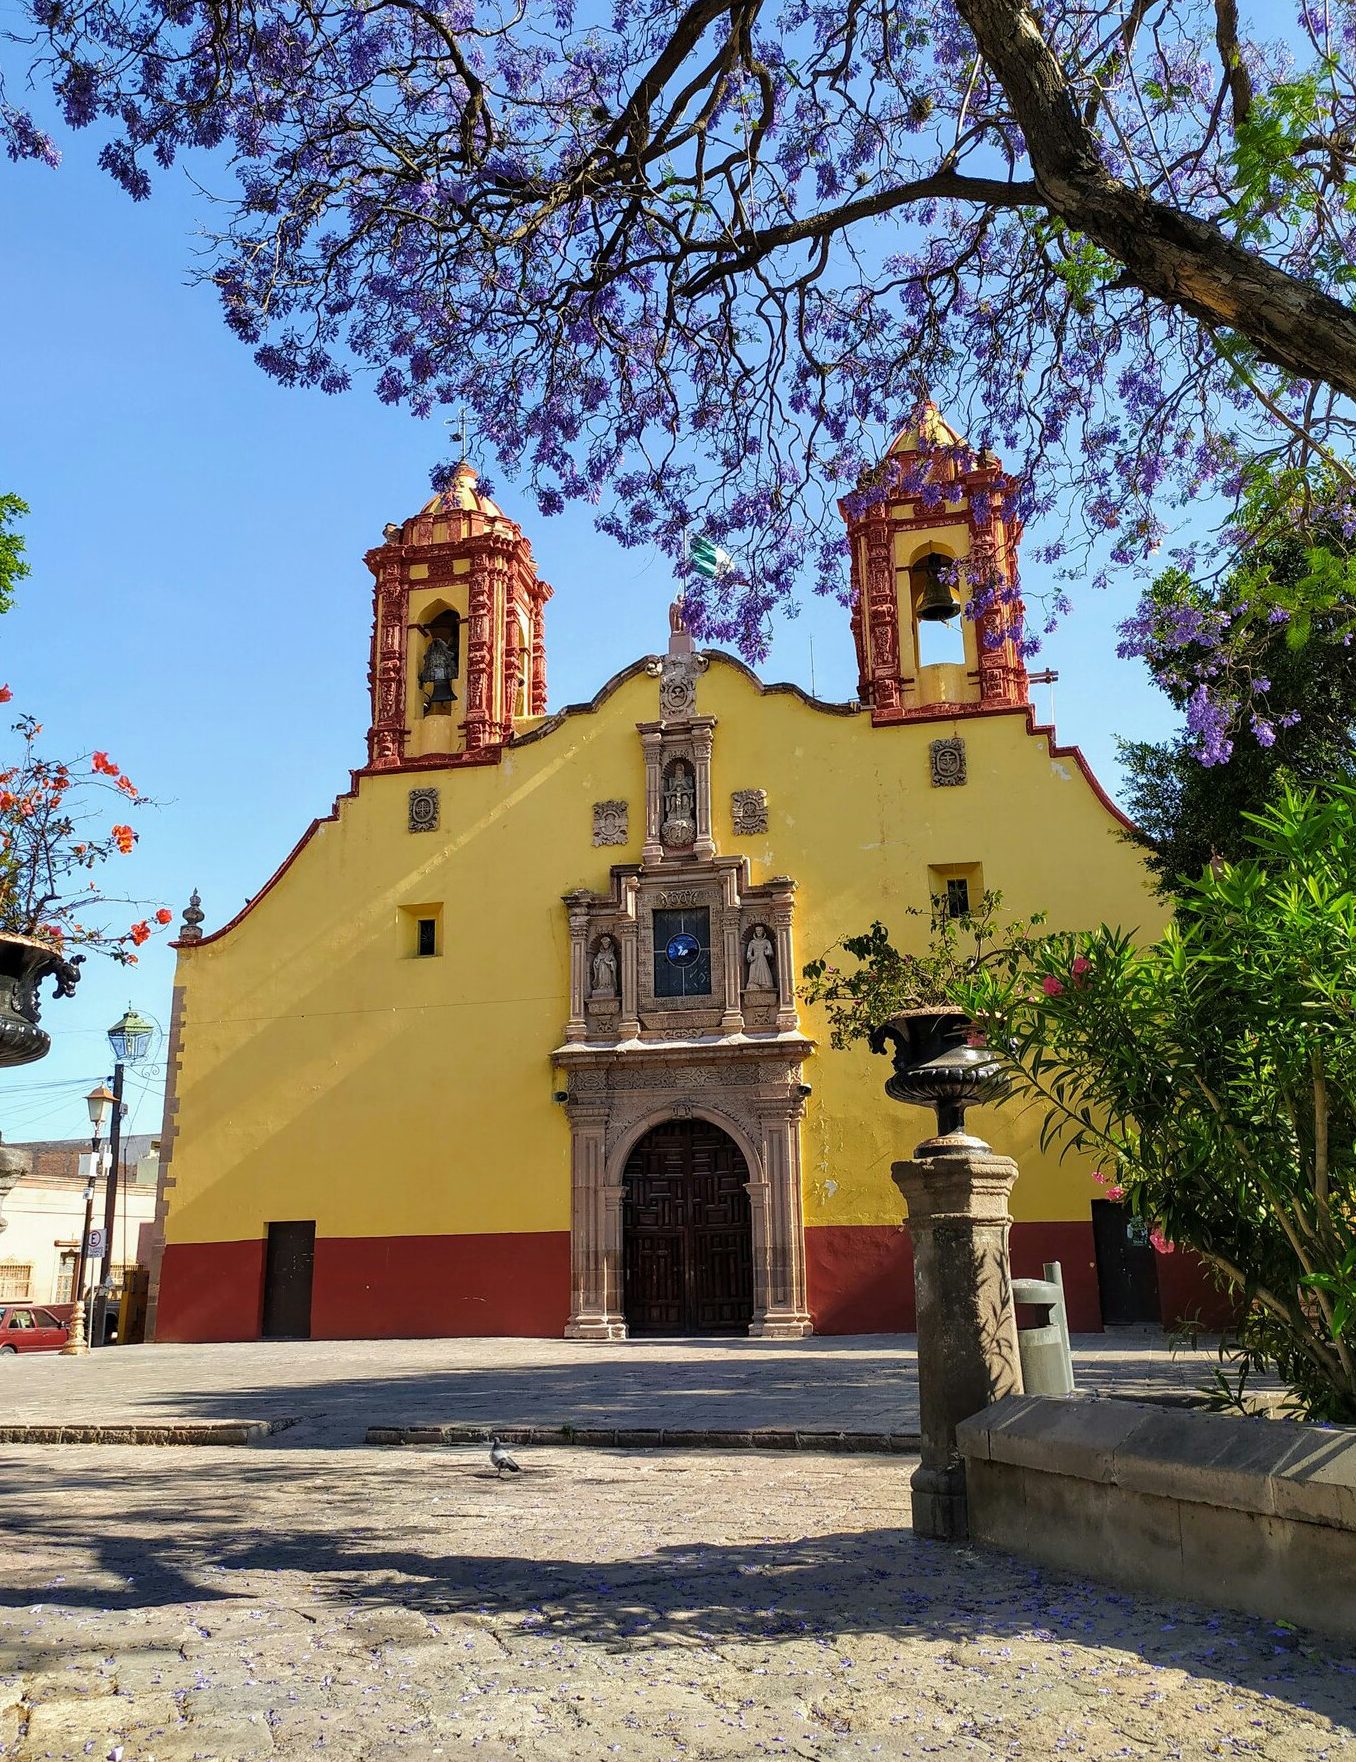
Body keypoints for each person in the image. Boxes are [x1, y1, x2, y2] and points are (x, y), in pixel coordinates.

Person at [745, 925, 775, 991]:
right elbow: (749, 953)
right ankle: (753, 984)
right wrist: (750, 957)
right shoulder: (752, 942)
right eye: (757, 931)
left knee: (766, 979)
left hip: (763, 959)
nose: (759, 932)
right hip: (754, 960)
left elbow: (771, 952)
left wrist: (767, 952)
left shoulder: (766, 942)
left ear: (763, 932)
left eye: (760, 931)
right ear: (755, 932)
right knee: (753, 975)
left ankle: (764, 984)